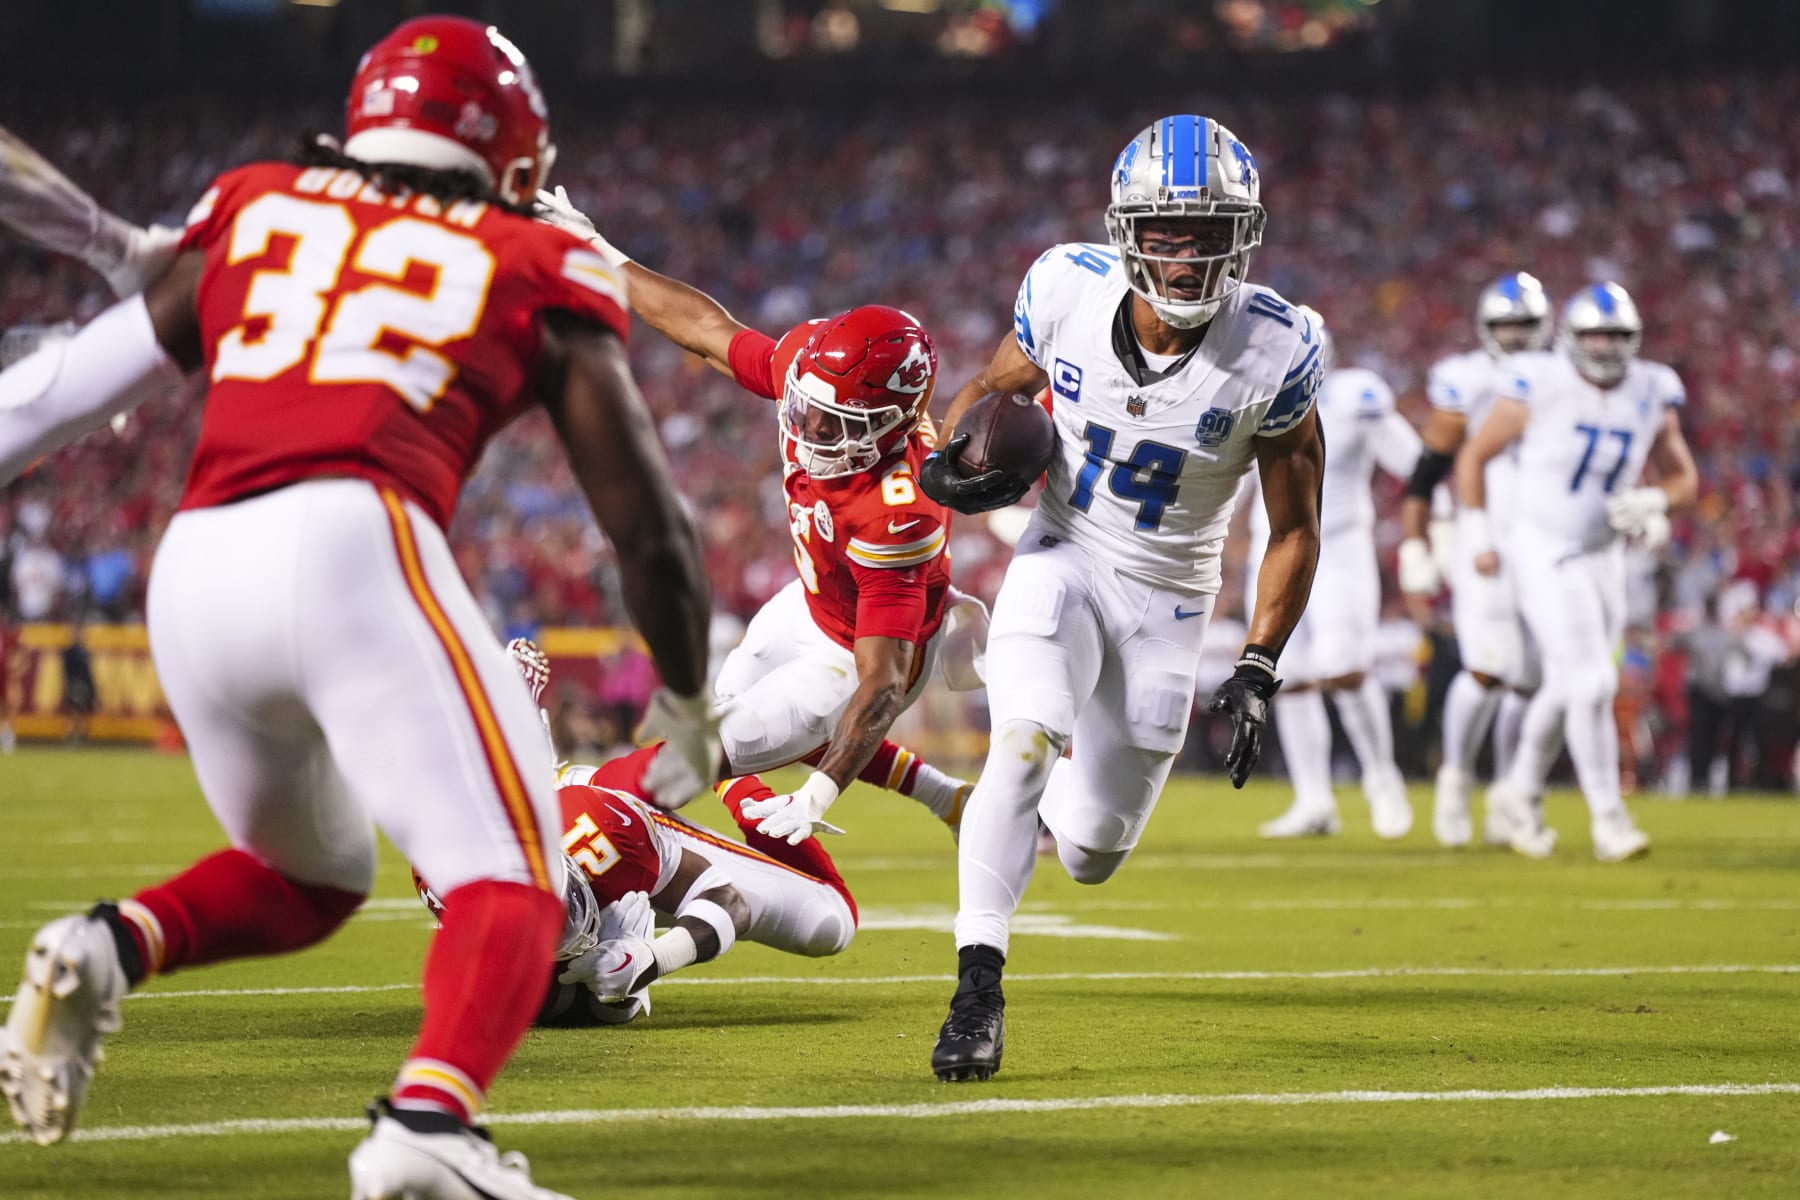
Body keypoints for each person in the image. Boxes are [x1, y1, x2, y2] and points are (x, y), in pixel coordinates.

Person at [0, 17, 719, 1200]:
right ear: (521, 161)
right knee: (517, 877)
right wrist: (687, 704)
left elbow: (55, 401)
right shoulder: (536, 255)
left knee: (313, 878)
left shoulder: (257, 209)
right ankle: (428, 1129)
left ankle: (102, 946)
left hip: (197, 565)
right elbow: (648, 525)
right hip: (358, 541)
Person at [917, 115, 1325, 1081]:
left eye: (1210, 234)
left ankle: (1031, 769)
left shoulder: (1280, 346)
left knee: (1092, 851)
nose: (1187, 260)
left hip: (1172, 595)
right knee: (1020, 743)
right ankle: (977, 990)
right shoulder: (1064, 288)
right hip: (1062, 551)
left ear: (1245, 235)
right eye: (1168, 234)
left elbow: (1297, 525)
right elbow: (987, 384)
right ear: (1127, 231)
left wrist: (1260, 660)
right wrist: (955, 452)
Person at [535, 187, 983, 843]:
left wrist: (819, 792)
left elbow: (881, 683)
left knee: (701, 753)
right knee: (728, 721)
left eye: (839, 422)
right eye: (811, 408)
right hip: (812, 599)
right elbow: (707, 333)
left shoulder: (901, 509)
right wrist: (600, 249)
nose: (812, 427)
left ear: (896, 422)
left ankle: (557, 799)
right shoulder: (811, 371)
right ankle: (950, 799)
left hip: (865, 646)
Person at [417, 640, 858, 1027]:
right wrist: (615, 994)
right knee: (577, 1005)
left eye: (569, 907)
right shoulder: (452, 892)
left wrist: (656, 959)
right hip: (544, 826)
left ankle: (738, 778)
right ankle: (533, 751)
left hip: (608, 810)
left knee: (828, 921)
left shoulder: (604, 835)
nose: (575, 925)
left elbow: (726, 899)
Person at [1460, 282, 1697, 861]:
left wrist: (1656, 503)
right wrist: (1479, 534)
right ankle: (1609, 820)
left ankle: (1516, 790)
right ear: (1571, 337)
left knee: (1571, 683)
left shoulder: (1652, 387)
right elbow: (1474, 457)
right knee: (1592, 681)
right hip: (1541, 547)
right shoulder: (1537, 380)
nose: (1606, 346)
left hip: (1604, 554)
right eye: (1595, 333)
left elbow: (1682, 478)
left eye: (1617, 335)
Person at [1244, 324, 1420, 839]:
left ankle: (1382, 780)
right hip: (1272, 543)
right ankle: (1314, 800)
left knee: (1344, 665)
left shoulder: (1354, 396)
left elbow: (1412, 461)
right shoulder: (1254, 398)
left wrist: (1440, 522)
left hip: (1338, 543)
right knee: (1288, 676)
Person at [1397, 273, 1554, 848]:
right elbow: (1428, 469)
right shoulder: (1465, 378)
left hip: (1544, 536)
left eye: (1524, 325)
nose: (1515, 337)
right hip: (1479, 532)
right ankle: (1456, 777)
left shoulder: (1566, 375)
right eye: (1505, 326)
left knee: (1532, 679)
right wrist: (1415, 542)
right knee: (1489, 666)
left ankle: (1510, 795)